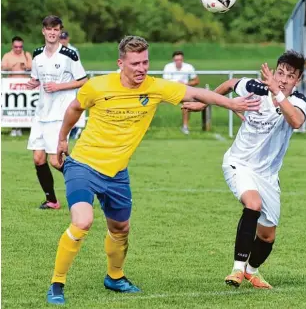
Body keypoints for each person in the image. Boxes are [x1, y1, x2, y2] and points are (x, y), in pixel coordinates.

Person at [46, 35, 261, 305]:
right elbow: (74, 108)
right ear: (120, 63)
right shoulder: (97, 86)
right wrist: (62, 139)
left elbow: (195, 93)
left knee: (121, 228)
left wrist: (231, 103)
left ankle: (114, 277)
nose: (141, 68)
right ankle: (57, 283)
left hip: (118, 173)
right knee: (82, 221)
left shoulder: (155, 87)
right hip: (83, 166)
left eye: (145, 62)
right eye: (135, 63)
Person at [183, 50, 306, 289]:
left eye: (289, 76)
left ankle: (252, 271)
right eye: (280, 72)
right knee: (253, 204)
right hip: (238, 163)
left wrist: (278, 93)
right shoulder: (256, 88)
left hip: (268, 175)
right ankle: (237, 269)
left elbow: (297, 121)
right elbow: (231, 84)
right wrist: (203, 103)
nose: (282, 78)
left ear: (297, 80)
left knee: (267, 236)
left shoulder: (297, 101)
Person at [26, 15, 87, 210]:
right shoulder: (37, 55)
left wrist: (60, 86)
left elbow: (83, 80)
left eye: (56, 29)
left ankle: (87, 184)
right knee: (38, 158)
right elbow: (37, 79)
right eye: (49, 29)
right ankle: (51, 200)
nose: (52, 32)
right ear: (43, 31)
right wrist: (33, 83)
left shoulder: (69, 55)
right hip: (41, 113)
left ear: (60, 32)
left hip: (59, 114)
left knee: (55, 160)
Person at [1, 36, 33, 136]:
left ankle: (21, 127)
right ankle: (14, 128)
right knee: (12, 105)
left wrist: (25, 66)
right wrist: (13, 65)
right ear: (12, 46)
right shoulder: (7, 56)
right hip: (11, 85)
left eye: (20, 47)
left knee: (23, 105)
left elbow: (32, 67)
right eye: (16, 47)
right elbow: (3, 67)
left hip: (25, 85)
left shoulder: (26, 54)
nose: (18, 49)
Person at [163, 51, 199, 134]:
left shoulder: (189, 67)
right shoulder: (168, 67)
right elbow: (165, 83)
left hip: (184, 91)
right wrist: (176, 83)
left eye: (180, 59)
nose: (178, 62)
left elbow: (196, 81)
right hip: (170, 91)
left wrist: (186, 83)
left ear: (182, 59)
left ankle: (185, 127)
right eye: (176, 60)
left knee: (187, 103)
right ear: (173, 60)